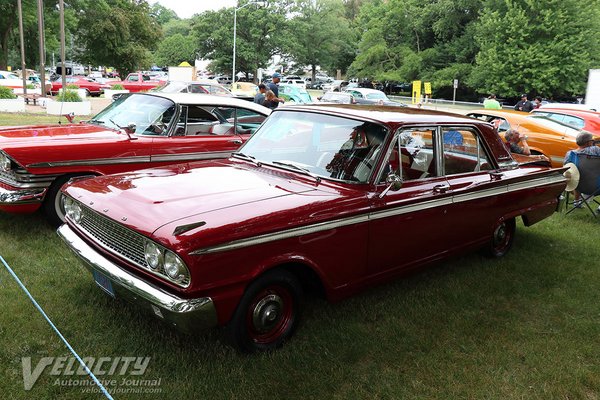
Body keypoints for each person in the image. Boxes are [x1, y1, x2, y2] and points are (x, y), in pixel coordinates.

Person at [563, 131, 600, 205]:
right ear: (589, 142)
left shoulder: (570, 154)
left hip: (578, 185)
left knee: (576, 175)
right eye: (592, 141)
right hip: (597, 187)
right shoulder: (596, 150)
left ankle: (577, 202)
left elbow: (566, 169)